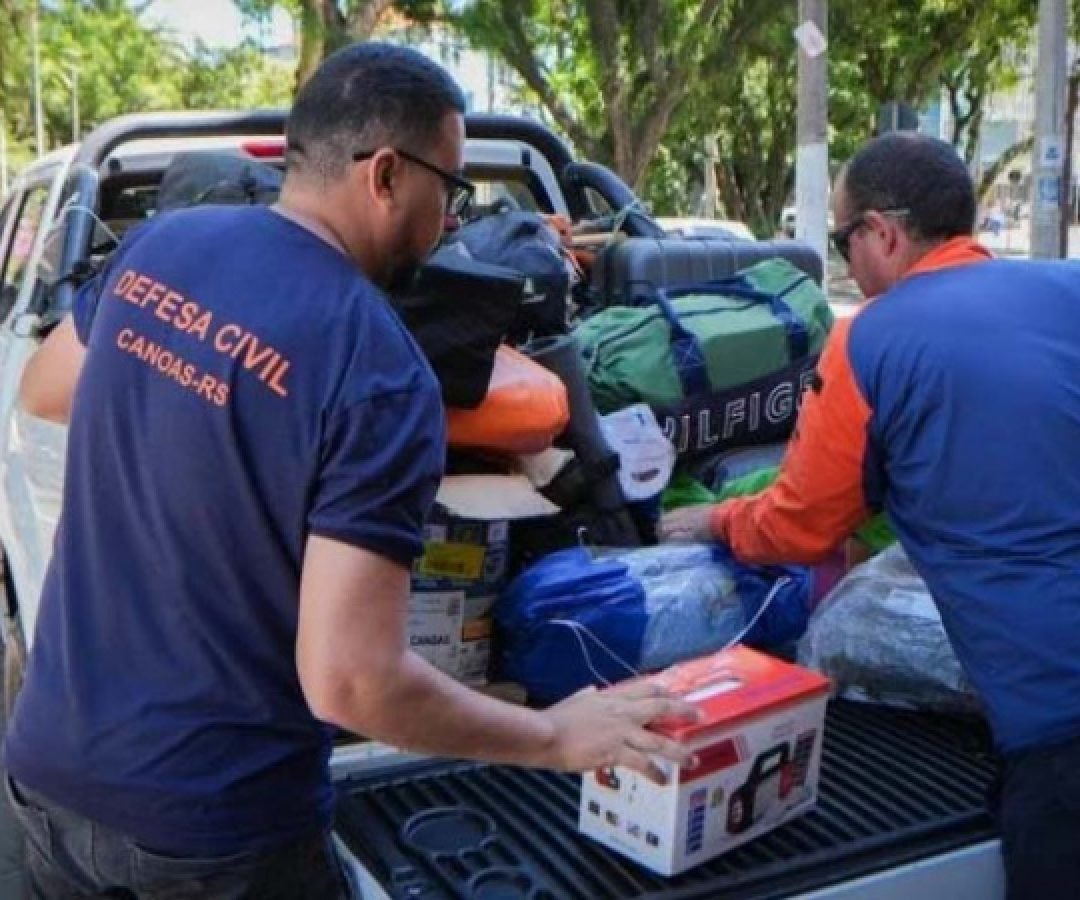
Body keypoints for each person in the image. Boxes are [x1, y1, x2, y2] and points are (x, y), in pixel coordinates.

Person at [5, 43, 697, 900]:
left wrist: (202, 414)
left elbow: (46, 388)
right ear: (384, 176)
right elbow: (351, 681)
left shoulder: (163, 247)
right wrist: (553, 736)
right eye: (448, 190)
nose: (450, 221)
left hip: (46, 780)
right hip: (216, 833)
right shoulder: (376, 365)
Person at [659, 131, 1080, 899]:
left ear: (881, 232)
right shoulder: (1069, 288)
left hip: (1060, 725)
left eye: (841, 239)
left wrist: (717, 521)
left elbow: (800, 525)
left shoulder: (870, 340)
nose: (846, 262)